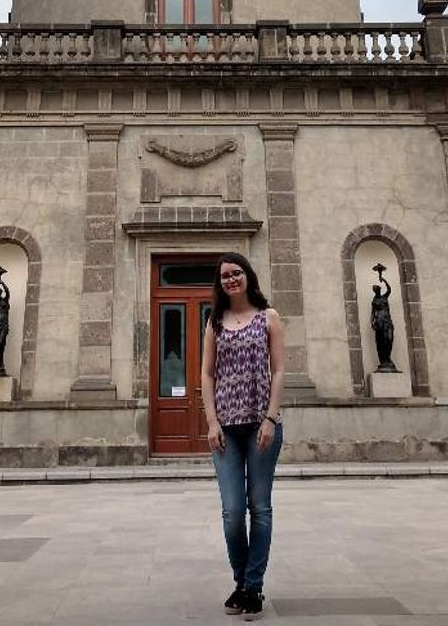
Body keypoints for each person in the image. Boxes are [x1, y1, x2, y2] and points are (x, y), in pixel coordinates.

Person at [201, 252, 284, 621]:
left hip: (261, 426)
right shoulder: (214, 321)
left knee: (260, 508)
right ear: (220, 284)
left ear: (248, 276)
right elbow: (206, 375)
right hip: (225, 431)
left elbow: (279, 370)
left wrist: (270, 418)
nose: (231, 279)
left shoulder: (269, 318)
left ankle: (253, 586)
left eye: (236, 273)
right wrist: (212, 422)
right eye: (224, 276)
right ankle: (241, 581)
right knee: (233, 512)